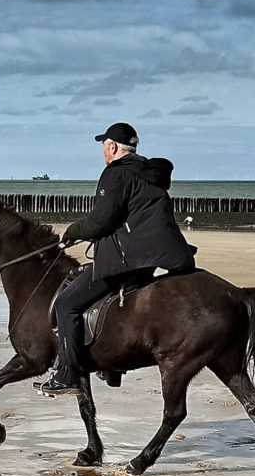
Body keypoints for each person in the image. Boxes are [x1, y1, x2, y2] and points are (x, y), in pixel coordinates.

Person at [35, 122, 196, 397]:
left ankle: (68, 374)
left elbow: (101, 221)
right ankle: (109, 366)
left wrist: (72, 232)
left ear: (111, 147)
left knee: (66, 304)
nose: (102, 151)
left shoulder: (116, 174)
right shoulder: (149, 172)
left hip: (129, 259)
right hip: (154, 259)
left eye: (103, 146)